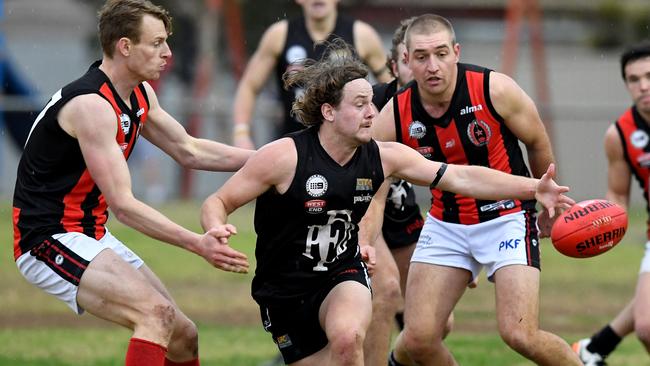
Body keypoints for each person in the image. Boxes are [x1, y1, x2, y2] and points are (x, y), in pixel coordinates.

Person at [200, 40, 574, 366]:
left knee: (348, 339)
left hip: (341, 273)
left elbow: (459, 175)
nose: (372, 113)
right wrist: (215, 228)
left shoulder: (384, 155)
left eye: (371, 104)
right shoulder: (284, 156)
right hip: (283, 287)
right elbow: (219, 200)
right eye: (360, 104)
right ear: (329, 112)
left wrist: (531, 188)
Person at [11, 1, 252, 365]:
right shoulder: (91, 106)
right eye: (156, 43)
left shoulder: (138, 93)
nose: (167, 53)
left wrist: (274, 159)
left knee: (183, 336)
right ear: (125, 46)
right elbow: (124, 206)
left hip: (90, 233)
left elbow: (190, 149)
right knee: (155, 314)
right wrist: (197, 243)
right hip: (47, 237)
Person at [367, 14, 583, 365]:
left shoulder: (493, 89)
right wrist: (365, 236)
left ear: (456, 51)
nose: (432, 66)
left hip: (508, 215)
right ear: (405, 61)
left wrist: (549, 203)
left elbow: (537, 140)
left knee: (519, 334)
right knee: (419, 340)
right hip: (446, 222)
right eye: (421, 57)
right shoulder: (395, 114)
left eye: (440, 53)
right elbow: (371, 179)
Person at [572, 40, 650, 366]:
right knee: (647, 328)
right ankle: (594, 348)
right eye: (634, 79)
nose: (643, 86)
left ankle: (594, 348)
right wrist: (604, 222)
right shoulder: (619, 134)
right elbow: (618, 193)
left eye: (649, 76)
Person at [231, 0, 391, 150]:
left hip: (350, 148)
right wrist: (241, 133)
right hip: (293, 145)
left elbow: (392, 89)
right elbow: (249, 86)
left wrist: (385, 132)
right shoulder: (279, 34)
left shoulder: (362, 35)